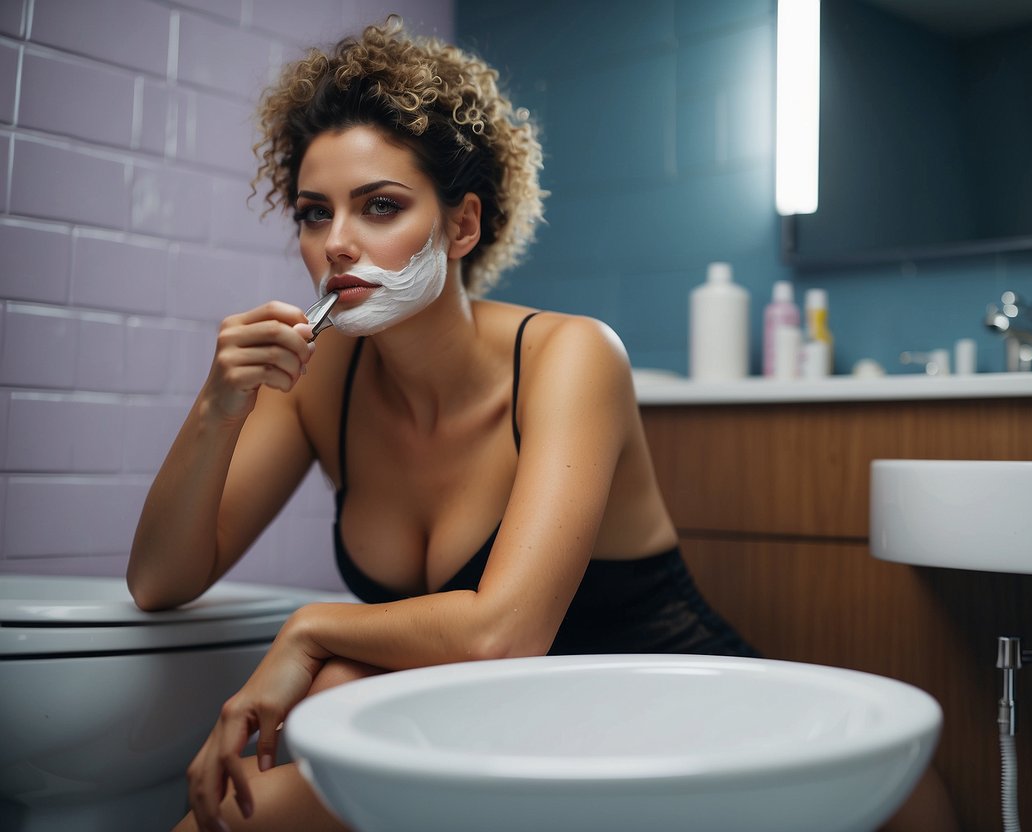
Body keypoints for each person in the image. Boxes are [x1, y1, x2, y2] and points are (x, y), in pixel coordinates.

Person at [126, 17, 758, 832]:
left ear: (461, 226)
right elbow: (160, 583)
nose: (338, 245)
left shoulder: (569, 355)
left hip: (666, 724)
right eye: (315, 215)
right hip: (497, 730)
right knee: (331, 698)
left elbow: (501, 634)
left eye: (379, 207)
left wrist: (311, 631)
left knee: (319, 701)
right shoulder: (318, 381)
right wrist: (218, 407)